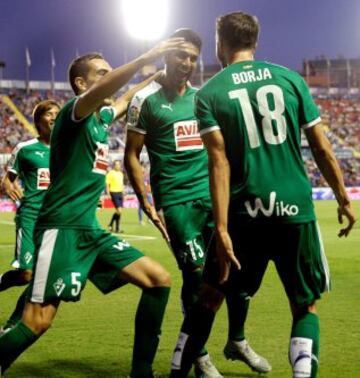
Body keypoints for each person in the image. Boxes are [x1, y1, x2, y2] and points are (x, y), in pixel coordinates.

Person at [169, 11, 357, 378]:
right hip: (294, 210)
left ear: (221, 42)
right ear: (255, 41)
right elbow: (321, 148)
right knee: (305, 306)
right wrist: (343, 198)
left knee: (209, 297)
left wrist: (221, 229)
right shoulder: (290, 80)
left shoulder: (209, 93)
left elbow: (218, 162)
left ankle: (178, 372)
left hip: (243, 214)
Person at [0, 38, 186, 377]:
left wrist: (158, 75)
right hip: (62, 228)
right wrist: (145, 57)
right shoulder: (74, 114)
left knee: (158, 280)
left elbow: (126, 98)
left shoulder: (99, 120)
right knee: (38, 321)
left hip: (89, 230)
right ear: (81, 84)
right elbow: (115, 89)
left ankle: (141, 373)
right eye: (101, 72)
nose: (110, 75)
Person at [125, 28, 270, 378]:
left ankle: (237, 340)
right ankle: (200, 355)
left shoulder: (204, 99)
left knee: (235, 270)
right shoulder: (145, 100)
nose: (187, 63)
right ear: (167, 55)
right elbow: (131, 154)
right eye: (181, 55)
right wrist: (145, 200)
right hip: (176, 204)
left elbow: (221, 151)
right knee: (195, 278)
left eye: (193, 57)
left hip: (213, 199)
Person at [0, 100, 60, 332]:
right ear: (38, 121)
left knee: (37, 278)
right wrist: (6, 183)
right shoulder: (25, 149)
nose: (55, 117)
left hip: (55, 222)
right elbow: (9, 178)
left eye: (57, 113)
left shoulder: (67, 150)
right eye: (49, 114)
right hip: (30, 217)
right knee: (25, 274)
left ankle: (11, 325)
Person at [106, 159, 124, 232]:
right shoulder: (110, 173)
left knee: (120, 211)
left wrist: (123, 193)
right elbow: (107, 184)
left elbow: (121, 184)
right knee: (119, 211)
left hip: (120, 193)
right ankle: (112, 225)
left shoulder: (121, 173)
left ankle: (116, 228)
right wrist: (108, 194)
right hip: (113, 192)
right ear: (114, 165)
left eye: (119, 164)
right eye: (116, 164)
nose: (118, 166)